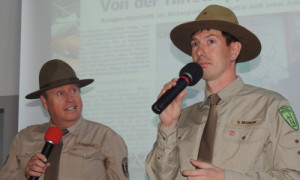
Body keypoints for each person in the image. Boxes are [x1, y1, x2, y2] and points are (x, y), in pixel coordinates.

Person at [146, 4, 300, 180]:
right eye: (195, 44)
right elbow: (161, 177)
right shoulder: (184, 116)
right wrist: (168, 126)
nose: (200, 51)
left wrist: (227, 178)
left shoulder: (270, 106)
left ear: (234, 50)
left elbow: (293, 176)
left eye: (211, 41)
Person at [0, 59, 130, 180]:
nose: (70, 99)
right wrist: (25, 174)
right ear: (44, 102)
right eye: (60, 93)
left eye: (74, 90)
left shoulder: (106, 137)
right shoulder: (24, 137)